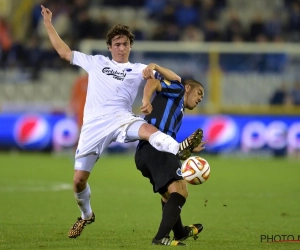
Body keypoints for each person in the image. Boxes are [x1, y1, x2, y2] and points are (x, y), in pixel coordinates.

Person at [40, 5, 201, 238]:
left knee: (146, 129)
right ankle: (86, 215)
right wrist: (48, 23)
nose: (121, 48)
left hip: (121, 118)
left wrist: (153, 69)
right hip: (94, 125)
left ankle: (178, 148)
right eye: (117, 44)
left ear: (130, 47)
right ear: (109, 47)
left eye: (125, 44)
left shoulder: (137, 69)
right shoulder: (96, 62)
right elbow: (65, 53)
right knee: (78, 182)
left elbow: (175, 78)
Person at [135, 78, 206, 246]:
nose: (200, 99)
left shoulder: (177, 110)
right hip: (155, 148)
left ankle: (180, 232)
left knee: (169, 195)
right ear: (187, 87)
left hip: (144, 153)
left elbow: (175, 149)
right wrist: (145, 98)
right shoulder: (178, 90)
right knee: (180, 190)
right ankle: (160, 237)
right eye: (199, 93)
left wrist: (186, 148)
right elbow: (153, 81)